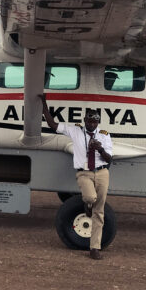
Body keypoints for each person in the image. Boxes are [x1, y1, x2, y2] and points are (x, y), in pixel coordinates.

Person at [39, 94, 113, 260]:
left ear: (98, 122)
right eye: (89, 121)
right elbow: (52, 125)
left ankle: (94, 248)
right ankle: (88, 204)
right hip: (84, 172)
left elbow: (109, 159)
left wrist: (100, 149)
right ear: (85, 120)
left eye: (94, 122)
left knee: (99, 212)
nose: (91, 124)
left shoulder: (104, 135)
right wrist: (44, 103)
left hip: (102, 172)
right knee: (90, 197)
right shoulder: (75, 130)